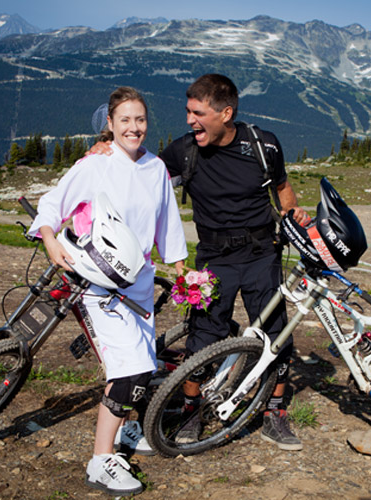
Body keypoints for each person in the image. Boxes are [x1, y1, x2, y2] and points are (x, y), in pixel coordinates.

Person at [91, 74, 308, 451]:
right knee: (204, 338)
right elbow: (143, 173)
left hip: (262, 255)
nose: (190, 120)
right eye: (188, 111)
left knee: (276, 336)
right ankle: (191, 410)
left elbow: (281, 186)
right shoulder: (184, 151)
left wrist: (293, 215)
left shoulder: (263, 145)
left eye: (198, 113)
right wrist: (105, 149)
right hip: (213, 259)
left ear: (226, 113)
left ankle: (274, 414)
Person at [29, 87, 187, 496]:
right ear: (110, 125)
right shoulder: (95, 164)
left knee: (140, 362)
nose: (134, 128)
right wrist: (49, 238)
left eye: (140, 120)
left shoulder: (155, 169)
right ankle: (102, 460)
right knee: (130, 372)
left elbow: (167, 225)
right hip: (100, 282)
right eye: (125, 121)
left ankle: (128, 430)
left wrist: (183, 270)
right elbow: (52, 203)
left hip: (140, 282)